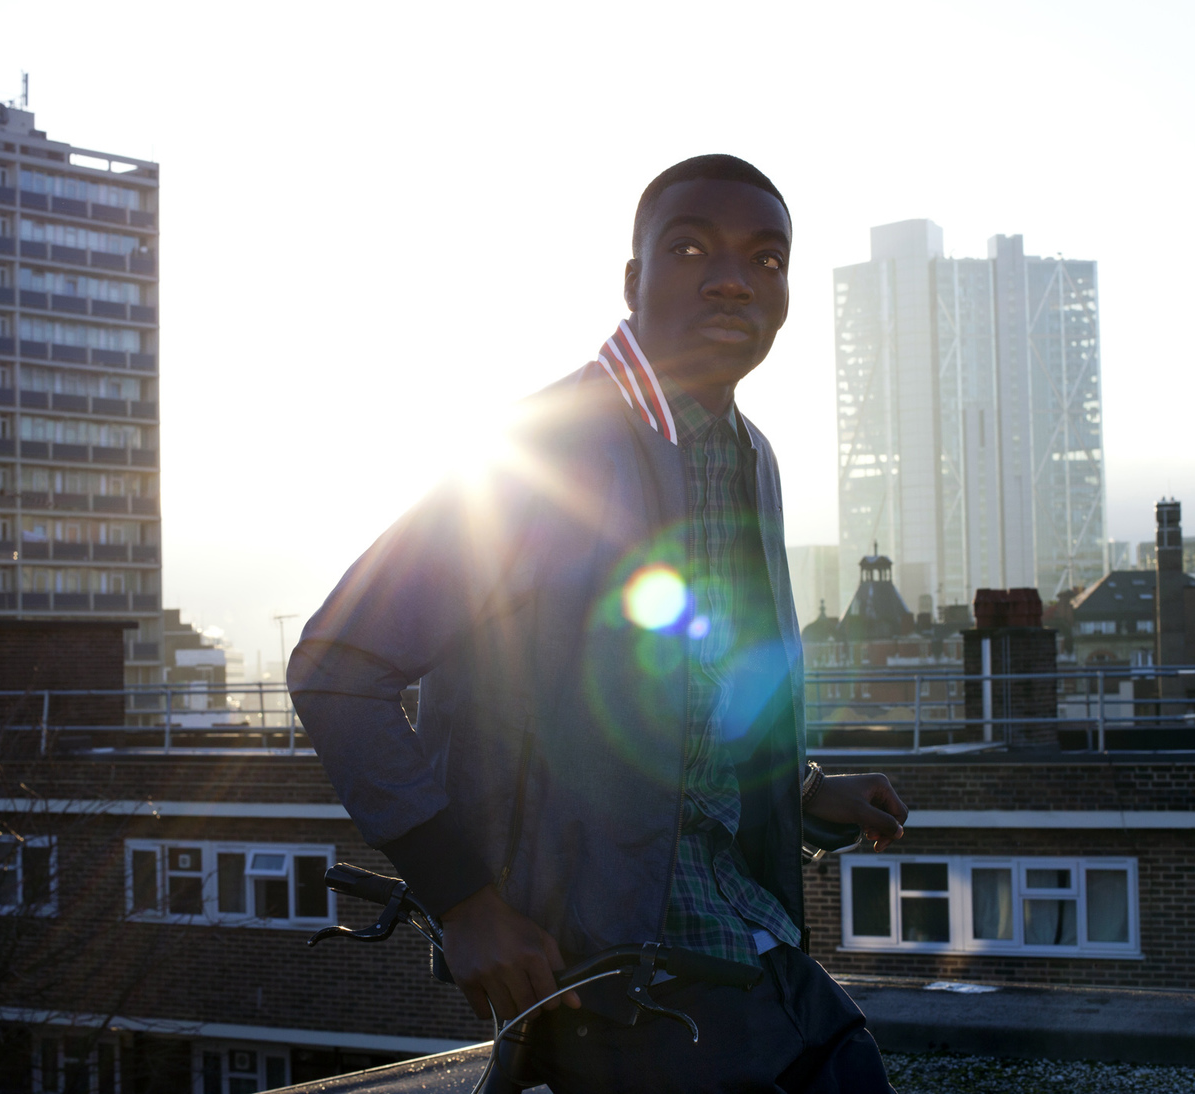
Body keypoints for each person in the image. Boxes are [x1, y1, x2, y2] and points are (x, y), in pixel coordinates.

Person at [288, 154, 908, 1093]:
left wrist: (801, 789)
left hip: (745, 935)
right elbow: (337, 667)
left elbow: (690, 687)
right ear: (635, 280)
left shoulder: (748, 455)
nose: (735, 277)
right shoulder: (546, 448)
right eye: (691, 248)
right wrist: (465, 903)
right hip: (607, 980)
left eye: (767, 258)